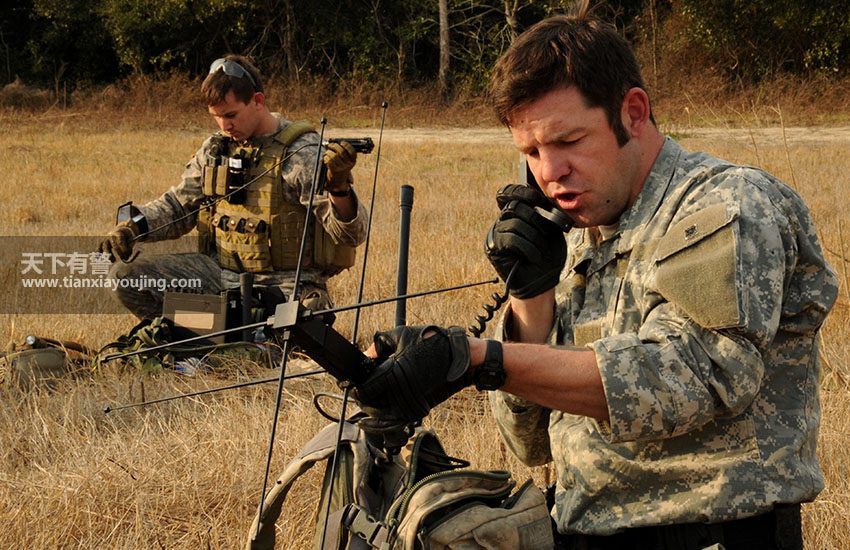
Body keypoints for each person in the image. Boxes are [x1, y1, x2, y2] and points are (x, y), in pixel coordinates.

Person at [351, 6, 838, 550]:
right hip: (582, 529)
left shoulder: (726, 202)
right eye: (531, 152)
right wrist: (530, 300)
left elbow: (698, 373)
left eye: (568, 141)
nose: (549, 171)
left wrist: (475, 358)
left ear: (632, 113)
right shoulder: (583, 236)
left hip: (712, 535)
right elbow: (531, 443)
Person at [98, 54, 368, 320]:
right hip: (219, 277)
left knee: (303, 323)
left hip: (285, 287)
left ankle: (230, 337)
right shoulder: (216, 149)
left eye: (231, 115)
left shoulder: (301, 152)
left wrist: (339, 188)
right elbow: (177, 207)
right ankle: (205, 339)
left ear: (258, 101)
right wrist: (133, 227)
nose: (225, 125)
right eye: (216, 117)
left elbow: (353, 235)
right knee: (125, 278)